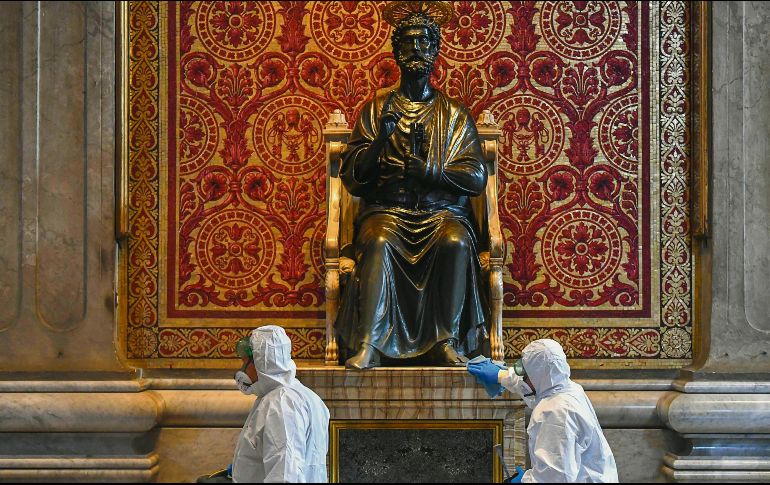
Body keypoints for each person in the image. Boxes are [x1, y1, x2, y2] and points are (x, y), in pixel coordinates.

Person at [336, 1, 489, 369]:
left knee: (455, 242)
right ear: (396, 53)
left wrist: (431, 172)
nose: (416, 50)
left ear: (435, 52)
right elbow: (353, 177)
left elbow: (476, 177)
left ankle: (446, 340)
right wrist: (379, 141)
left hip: (442, 215)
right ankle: (370, 343)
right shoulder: (376, 110)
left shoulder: (453, 115)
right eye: (408, 43)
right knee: (378, 242)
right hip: (388, 213)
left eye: (423, 43)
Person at [467, 339, 618, 483]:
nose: (522, 377)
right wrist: (501, 375)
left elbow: (555, 478)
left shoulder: (555, 413)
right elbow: (536, 383)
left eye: (525, 374)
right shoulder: (567, 388)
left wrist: (525, 481)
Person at [230, 325, 330, 483]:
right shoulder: (308, 397)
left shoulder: (281, 403)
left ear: (259, 362)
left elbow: (284, 475)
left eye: (245, 363)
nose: (242, 370)